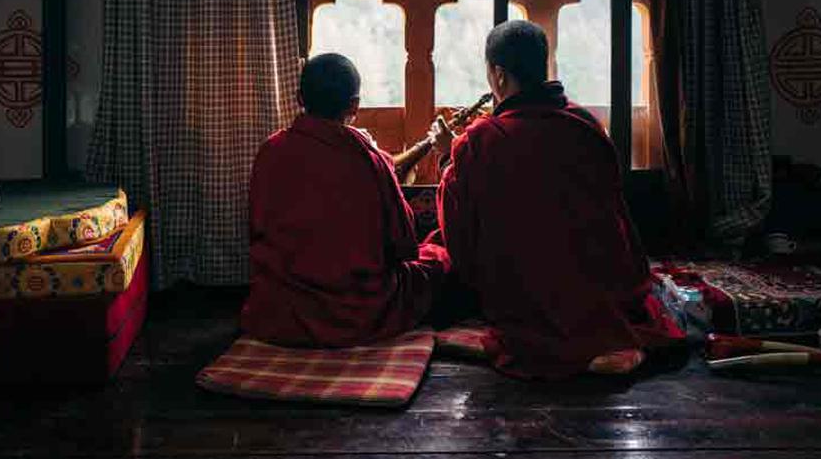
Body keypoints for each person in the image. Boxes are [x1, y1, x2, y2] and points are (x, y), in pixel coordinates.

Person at [429, 21, 683, 379]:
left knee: (434, 256)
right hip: (601, 279)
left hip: (527, 286)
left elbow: (459, 228)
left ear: (499, 75)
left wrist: (447, 157)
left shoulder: (481, 139)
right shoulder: (585, 123)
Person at [241, 53, 450, 347]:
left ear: (299, 98)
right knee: (437, 257)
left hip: (279, 311)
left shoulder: (270, 150)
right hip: (356, 314)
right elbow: (405, 247)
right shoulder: (369, 159)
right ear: (355, 105)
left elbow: (257, 232)